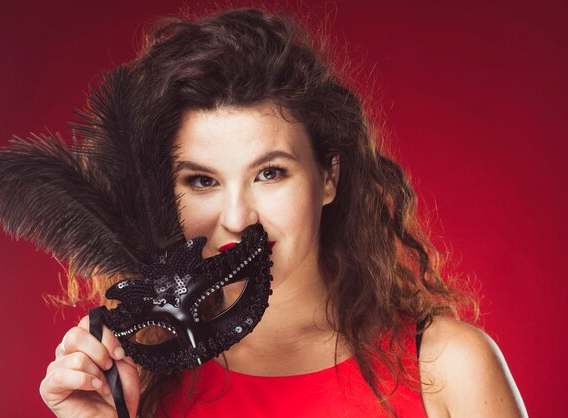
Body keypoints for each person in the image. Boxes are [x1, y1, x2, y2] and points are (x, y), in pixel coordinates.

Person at [39, 7, 527, 418]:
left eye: (270, 173)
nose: (238, 217)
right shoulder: (136, 380)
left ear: (328, 177)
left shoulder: (445, 368)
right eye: (202, 180)